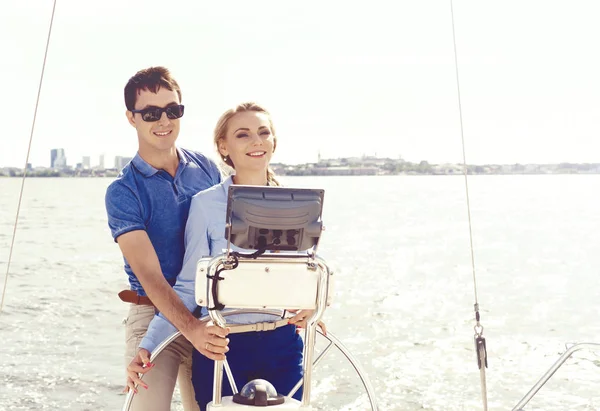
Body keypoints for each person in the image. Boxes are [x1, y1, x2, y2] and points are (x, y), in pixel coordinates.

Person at [135, 102, 324, 410]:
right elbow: (188, 285)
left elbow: (310, 278)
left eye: (264, 132)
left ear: (274, 142)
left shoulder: (299, 204)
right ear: (224, 147)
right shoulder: (205, 205)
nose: (256, 141)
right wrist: (149, 343)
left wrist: (314, 306)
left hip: (283, 344)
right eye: (243, 135)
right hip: (221, 345)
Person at [105, 66, 230, 411]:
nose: (164, 120)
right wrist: (190, 329)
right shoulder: (123, 191)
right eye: (151, 113)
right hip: (152, 311)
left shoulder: (206, 169)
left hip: (208, 312)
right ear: (131, 118)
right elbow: (150, 276)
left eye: (173, 110)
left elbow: (235, 238)